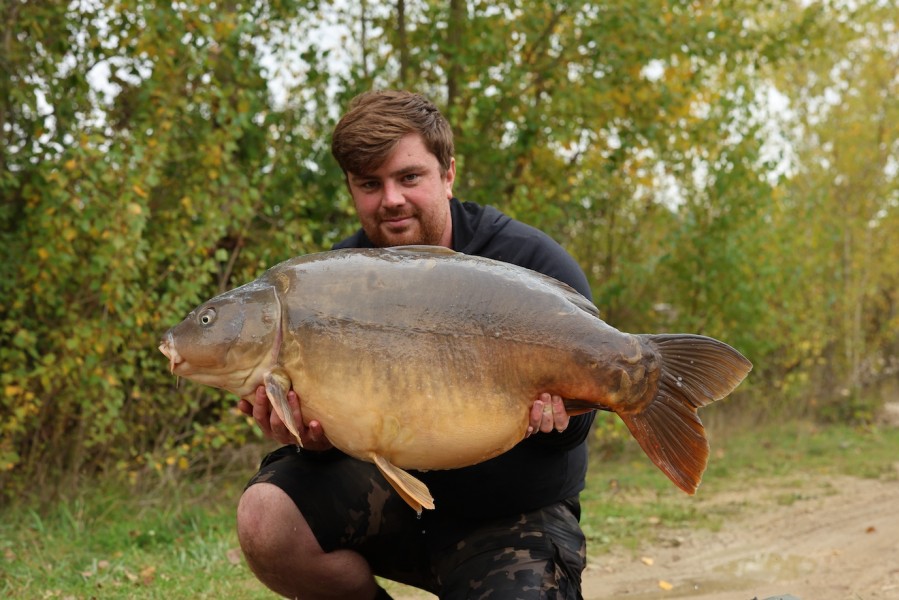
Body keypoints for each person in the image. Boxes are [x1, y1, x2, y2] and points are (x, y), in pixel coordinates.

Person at [236, 90, 596, 599]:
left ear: (448, 174)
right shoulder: (333, 281)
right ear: (351, 188)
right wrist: (310, 437)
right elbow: (336, 431)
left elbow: (576, 431)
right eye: (370, 184)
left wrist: (558, 419)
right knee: (267, 518)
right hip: (390, 501)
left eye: (409, 177)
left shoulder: (527, 261)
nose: (391, 199)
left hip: (510, 514)